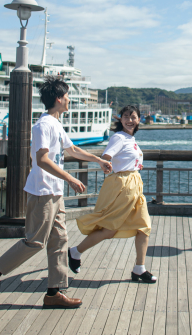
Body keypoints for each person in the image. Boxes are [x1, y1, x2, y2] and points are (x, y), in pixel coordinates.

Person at [0, 76, 112, 308]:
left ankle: (54, 292)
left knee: (60, 239)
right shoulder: (43, 125)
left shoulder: (56, 124)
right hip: (43, 192)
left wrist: (97, 159)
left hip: (54, 192)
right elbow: (41, 160)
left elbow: (72, 149)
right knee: (34, 242)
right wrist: (70, 177)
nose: (70, 100)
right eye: (67, 96)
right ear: (59, 99)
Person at [68, 105, 157, 284]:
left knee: (144, 226)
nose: (129, 120)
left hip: (134, 184)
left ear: (139, 119)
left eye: (133, 117)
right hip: (123, 186)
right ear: (120, 119)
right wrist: (106, 164)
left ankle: (139, 269)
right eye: (126, 116)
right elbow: (106, 156)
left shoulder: (130, 138)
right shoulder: (118, 137)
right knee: (110, 228)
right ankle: (75, 252)